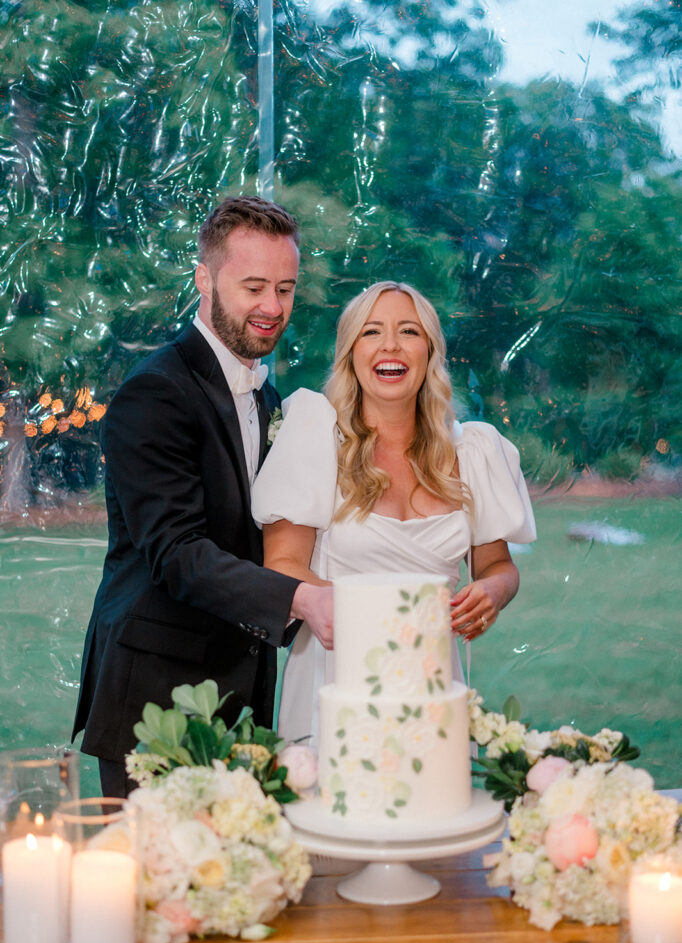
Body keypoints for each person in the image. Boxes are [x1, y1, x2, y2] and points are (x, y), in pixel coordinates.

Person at [72, 195, 332, 796]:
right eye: (254, 287)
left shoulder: (267, 398)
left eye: (286, 289)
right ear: (205, 281)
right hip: (155, 703)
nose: (272, 307)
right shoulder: (154, 393)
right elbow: (176, 552)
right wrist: (303, 599)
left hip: (241, 702)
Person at [251, 280, 536, 743]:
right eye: (371, 332)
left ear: (429, 351)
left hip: (432, 677)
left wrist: (492, 592)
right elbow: (281, 566)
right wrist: (393, 616)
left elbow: (497, 566)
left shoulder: (473, 452)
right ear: (350, 353)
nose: (390, 345)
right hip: (335, 671)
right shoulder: (314, 435)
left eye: (408, 331)